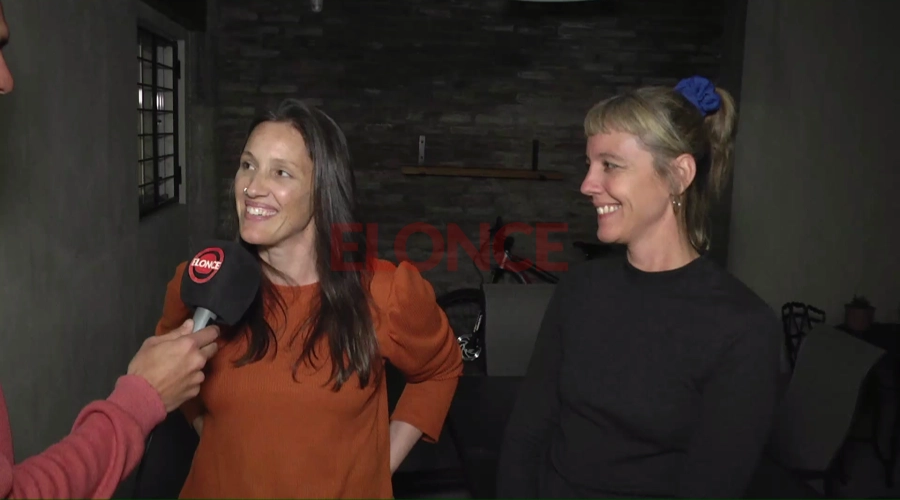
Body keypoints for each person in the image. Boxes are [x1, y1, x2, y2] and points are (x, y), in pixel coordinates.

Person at [154, 98, 464, 498]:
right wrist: (215, 434)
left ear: (322, 192)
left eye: (281, 172)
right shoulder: (202, 279)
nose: (252, 187)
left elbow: (441, 370)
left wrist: (377, 468)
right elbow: (169, 364)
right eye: (247, 165)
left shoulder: (385, 293)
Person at [495, 76, 783, 498]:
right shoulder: (579, 290)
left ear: (678, 175)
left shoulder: (743, 328)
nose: (587, 185)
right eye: (589, 164)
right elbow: (527, 434)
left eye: (610, 165)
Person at [0, 1, 221, 498]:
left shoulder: (371, 291)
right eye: (248, 165)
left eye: (283, 172)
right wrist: (143, 405)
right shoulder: (192, 277)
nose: (7, 80)